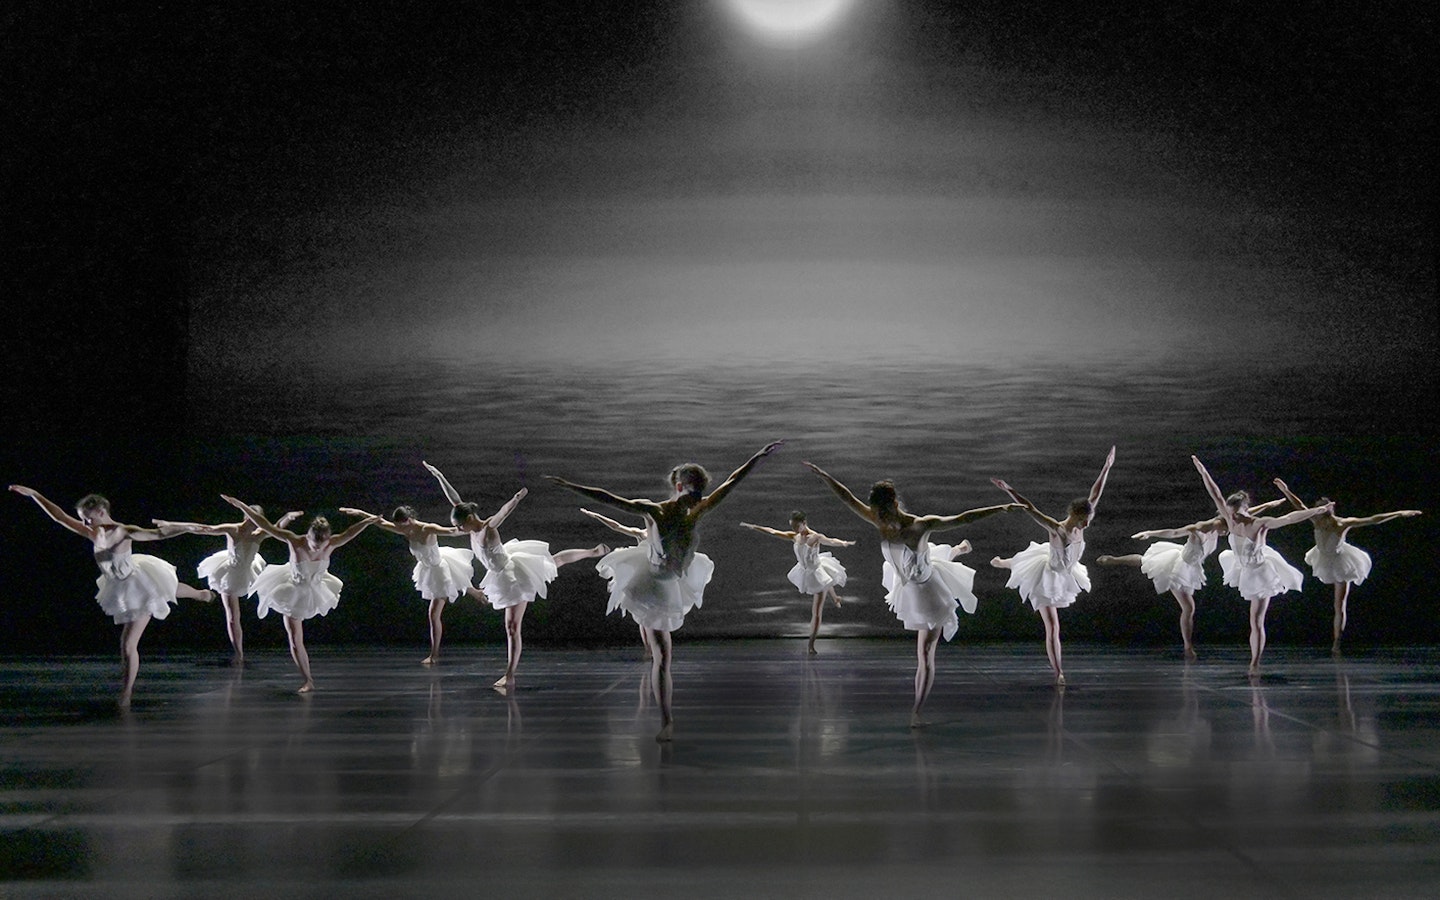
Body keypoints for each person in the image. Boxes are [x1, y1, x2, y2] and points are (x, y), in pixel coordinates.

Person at [546, 441, 783, 741]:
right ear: (680, 486)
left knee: (660, 650)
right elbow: (610, 499)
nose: (698, 499)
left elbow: (732, 482)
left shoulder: (698, 510)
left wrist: (757, 458)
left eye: (700, 494)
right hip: (653, 584)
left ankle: (663, 708)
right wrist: (571, 486)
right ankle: (667, 720)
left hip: (674, 580)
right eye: (694, 493)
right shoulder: (654, 511)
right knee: (663, 654)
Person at [804, 461, 1016, 727]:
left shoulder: (920, 525)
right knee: (929, 565)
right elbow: (848, 498)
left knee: (926, 654)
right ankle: (956, 550)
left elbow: (962, 517)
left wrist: (1000, 507)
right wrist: (824, 476)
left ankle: (917, 710)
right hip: (907, 580)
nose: (879, 518)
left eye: (882, 512)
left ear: (893, 504)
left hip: (929, 590)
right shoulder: (878, 518)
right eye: (876, 513)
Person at [10, 486, 214, 707]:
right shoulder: (92, 532)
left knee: (130, 642)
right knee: (164, 589)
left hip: (135, 582)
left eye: (88, 519)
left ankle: (125, 694)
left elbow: (158, 534)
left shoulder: (123, 531)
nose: (86, 524)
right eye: (84, 520)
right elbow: (60, 517)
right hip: (118, 584)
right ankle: (201, 594)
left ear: (100, 512)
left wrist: (187, 527)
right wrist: (36, 495)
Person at [424, 462, 609, 694]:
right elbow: (455, 500)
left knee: (513, 626)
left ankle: (510, 675)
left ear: (471, 517)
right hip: (500, 572)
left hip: (514, 576)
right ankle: (593, 552)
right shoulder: (468, 526)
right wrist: (439, 475)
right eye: (457, 526)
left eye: (461, 524)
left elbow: (502, 513)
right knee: (554, 562)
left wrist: (516, 498)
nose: (459, 528)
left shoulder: (487, 528)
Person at [222, 495, 380, 693]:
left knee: (298, 634)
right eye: (314, 543)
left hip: (316, 588)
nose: (317, 547)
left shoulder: (332, 543)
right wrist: (241, 506)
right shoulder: (294, 541)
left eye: (321, 544)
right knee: (295, 637)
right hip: (293, 591)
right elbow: (266, 525)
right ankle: (308, 680)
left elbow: (351, 532)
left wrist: (367, 520)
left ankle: (308, 679)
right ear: (308, 535)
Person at [1190, 457, 1332, 675]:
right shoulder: (1230, 519)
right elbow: (1215, 493)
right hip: (1242, 567)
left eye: (1236, 513)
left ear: (1245, 509)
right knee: (1252, 619)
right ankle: (1254, 661)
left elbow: (1289, 518)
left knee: (1256, 621)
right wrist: (1203, 472)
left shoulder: (1259, 523)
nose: (1232, 517)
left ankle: (1254, 663)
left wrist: (1316, 511)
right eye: (1230, 513)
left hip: (1260, 572)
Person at [1097, 498, 1285, 660]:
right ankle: (1188, 646)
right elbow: (1175, 532)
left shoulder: (1228, 522)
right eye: (1226, 529)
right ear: (1220, 521)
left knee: (1146, 562)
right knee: (1187, 606)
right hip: (1180, 566)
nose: (1229, 532)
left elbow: (1247, 513)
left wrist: (1269, 505)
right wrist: (1151, 533)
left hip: (1192, 566)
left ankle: (1115, 559)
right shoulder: (1202, 528)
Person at [990, 446, 1116, 686]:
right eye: (1084, 521)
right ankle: (1058, 671)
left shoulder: (1083, 519)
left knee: (1024, 561)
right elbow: (1031, 509)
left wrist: (1107, 466)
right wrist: (1009, 490)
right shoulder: (1057, 529)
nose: (1087, 525)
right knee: (1053, 626)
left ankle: (1007, 562)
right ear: (1075, 515)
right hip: (1048, 575)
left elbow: (1096, 492)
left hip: (1067, 571)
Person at [1272, 478, 1421, 654]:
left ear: (1330, 508)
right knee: (1334, 600)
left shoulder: (1342, 523)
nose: (1319, 510)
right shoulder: (1315, 519)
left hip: (1341, 561)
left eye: (1322, 507)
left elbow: (1373, 519)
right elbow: (1300, 506)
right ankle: (1333, 638)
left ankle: (1337, 641)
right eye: (1318, 507)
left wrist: (1399, 513)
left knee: (1339, 603)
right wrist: (1286, 490)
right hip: (1322, 557)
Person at [338, 504, 486, 665]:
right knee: (455, 583)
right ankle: (476, 593)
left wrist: (478, 527)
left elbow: (452, 531)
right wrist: (360, 511)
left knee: (434, 614)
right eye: (398, 525)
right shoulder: (403, 529)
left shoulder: (426, 529)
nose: (399, 528)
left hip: (438, 570)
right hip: (427, 567)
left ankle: (434, 655)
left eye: (401, 524)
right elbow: (379, 522)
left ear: (409, 520)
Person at [154, 507, 304, 665]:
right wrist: (171, 524)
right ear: (246, 517)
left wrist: (288, 516)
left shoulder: (259, 533)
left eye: (260, 520)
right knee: (233, 616)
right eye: (254, 519)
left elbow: (277, 528)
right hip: (230, 573)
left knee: (248, 604)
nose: (258, 524)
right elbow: (201, 529)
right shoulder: (233, 530)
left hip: (248, 569)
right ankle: (238, 653)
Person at [576, 508, 712, 660]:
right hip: (643, 576)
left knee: (652, 613)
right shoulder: (642, 533)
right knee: (642, 615)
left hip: (659, 575)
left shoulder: (665, 534)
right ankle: (648, 648)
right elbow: (617, 526)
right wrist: (597, 515)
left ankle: (655, 647)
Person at [740, 511, 855, 655]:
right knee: (825, 583)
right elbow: (773, 532)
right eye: (792, 526)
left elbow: (831, 541)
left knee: (817, 611)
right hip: (804, 570)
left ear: (804, 523)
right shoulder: (794, 536)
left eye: (797, 526)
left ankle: (811, 645)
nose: (794, 529)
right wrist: (754, 527)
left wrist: (843, 543)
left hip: (816, 571)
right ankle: (836, 597)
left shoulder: (815, 537)